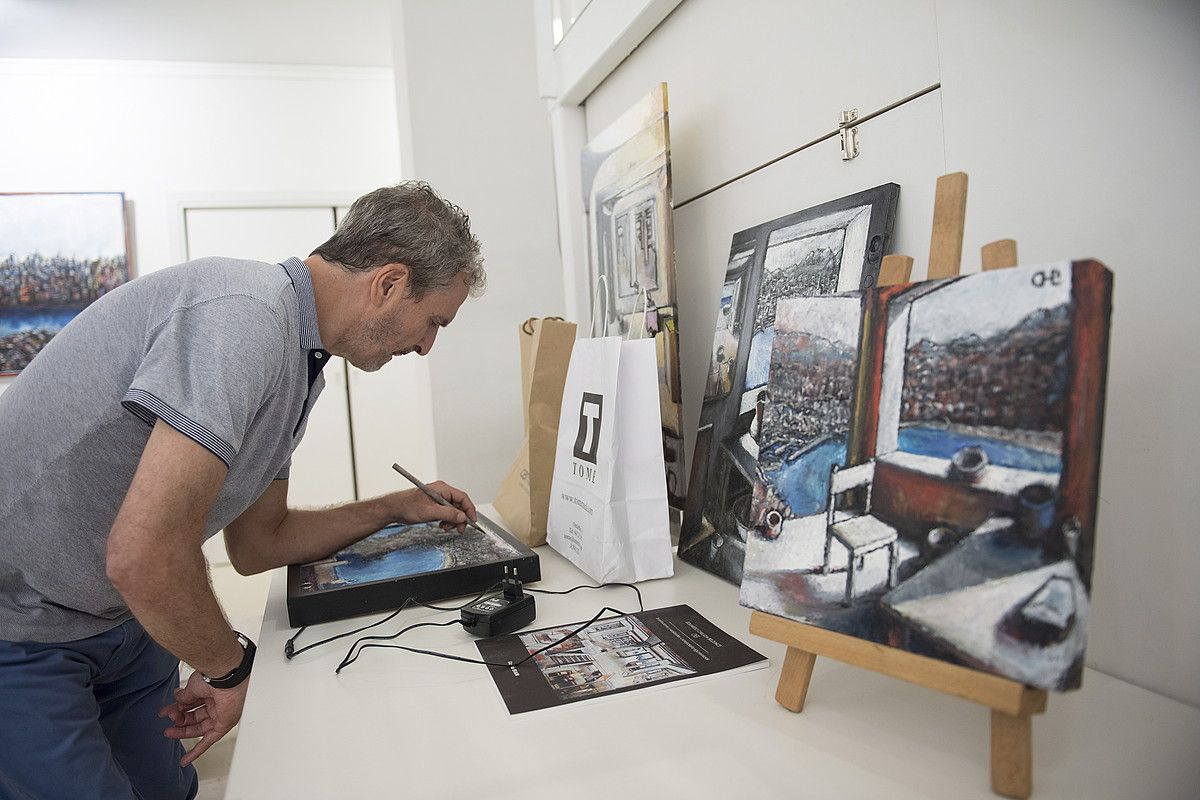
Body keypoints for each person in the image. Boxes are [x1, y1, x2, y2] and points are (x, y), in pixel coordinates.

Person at [0, 181, 486, 799]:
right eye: (433, 322)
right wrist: (231, 667)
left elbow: (259, 542)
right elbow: (144, 553)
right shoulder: (244, 317)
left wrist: (394, 507)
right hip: (21, 623)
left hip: (121, 614)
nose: (425, 345)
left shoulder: (303, 353)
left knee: (170, 791)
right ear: (389, 283)